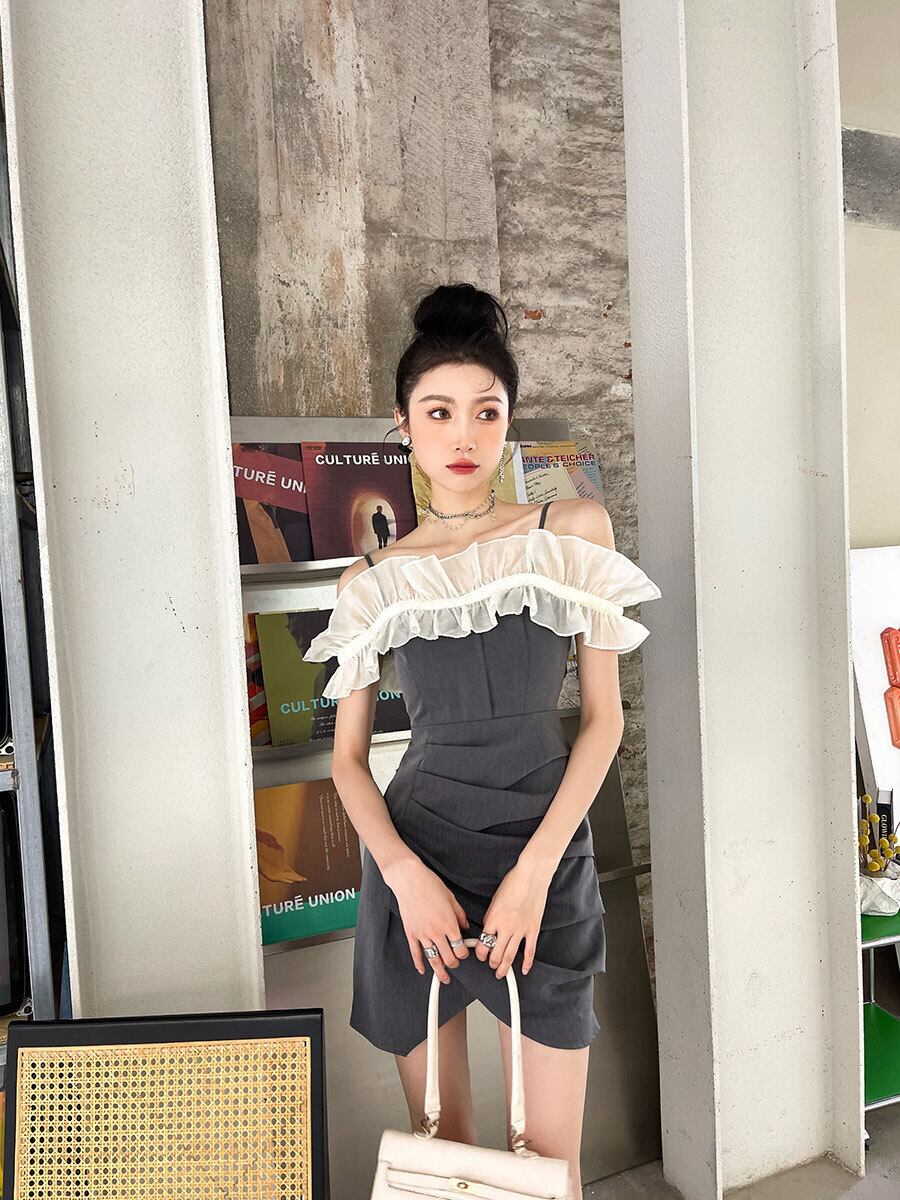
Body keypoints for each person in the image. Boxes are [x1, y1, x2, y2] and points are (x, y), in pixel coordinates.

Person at [302, 282, 661, 1195]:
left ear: (508, 422)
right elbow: (347, 762)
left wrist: (536, 873)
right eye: (439, 412)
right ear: (403, 426)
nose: (463, 434)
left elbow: (604, 722)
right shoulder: (373, 578)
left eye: (486, 412)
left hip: (543, 856)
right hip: (417, 863)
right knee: (446, 1158)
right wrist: (404, 877)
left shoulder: (567, 532)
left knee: (547, 1163)